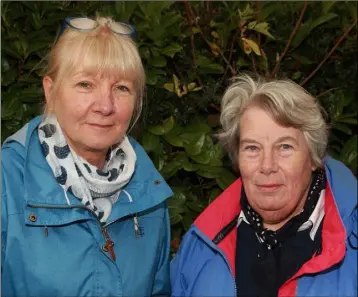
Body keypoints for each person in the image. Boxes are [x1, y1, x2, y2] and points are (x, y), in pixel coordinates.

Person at [2, 16, 173, 297]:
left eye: (121, 88)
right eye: (85, 84)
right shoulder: (7, 183)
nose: (105, 106)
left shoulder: (148, 191)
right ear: (51, 90)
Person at [170, 75, 357, 297]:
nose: (267, 166)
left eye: (285, 147)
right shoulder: (201, 244)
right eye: (252, 148)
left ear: (314, 157)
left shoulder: (351, 242)